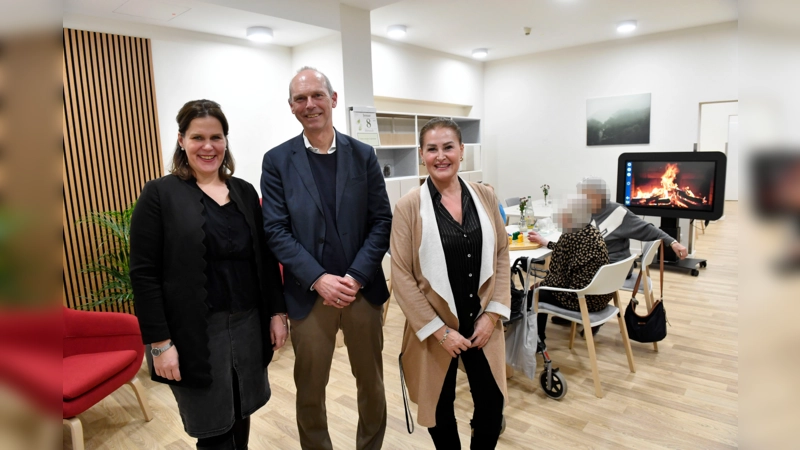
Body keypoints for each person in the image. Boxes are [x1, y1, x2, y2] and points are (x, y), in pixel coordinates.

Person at [130, 99, 287, 450]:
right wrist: (159, 343)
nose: (208, 146)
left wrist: (277, 313)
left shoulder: (244, 192)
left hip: (248, 325)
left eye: (216, 137)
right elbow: (143, 275)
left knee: (242, 414)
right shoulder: (159, 195)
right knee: (213, 429)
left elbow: (264, 259)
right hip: (194, 335)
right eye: (198, 137)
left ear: (226, 142)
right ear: (181, 139)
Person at [260, 67, 392, 450]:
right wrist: (319, 278)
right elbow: (276, 230)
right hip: (308, 294)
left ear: (333, 100)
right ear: (291, 107)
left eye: (317, 95)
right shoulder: (277, 161)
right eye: (300, 99)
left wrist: (356, 274)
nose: (310, 105)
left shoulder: (363, 155)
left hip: (360, 292)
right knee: (310, 390)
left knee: (371, 383)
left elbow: (381, 221)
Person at [391, 117, 510, 450]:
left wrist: (492, 316)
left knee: (491, 404)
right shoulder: (408, 207)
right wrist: (440, 332)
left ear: (461, 151)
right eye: (432, 149)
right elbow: (401, 276)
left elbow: (501, 253)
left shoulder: (485, 195)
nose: (440, 156)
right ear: (421, 154)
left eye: (448, 147)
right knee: (439, 410)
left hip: (483, 323)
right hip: (436, 329)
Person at [526, 194, 610, 341]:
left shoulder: (570, 235)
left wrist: (538, 286)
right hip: (599, 295)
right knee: (541, 288)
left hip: (581, 298)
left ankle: (537, 339)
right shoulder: (591, 231)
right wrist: (545, 242)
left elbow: (556, 277)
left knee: (534, 293)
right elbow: (567, 251)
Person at [579, 177, 689, 266]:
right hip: (591, 263)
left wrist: (673, 242)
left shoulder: (618, 213)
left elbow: (647, 229)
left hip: (613, 267)